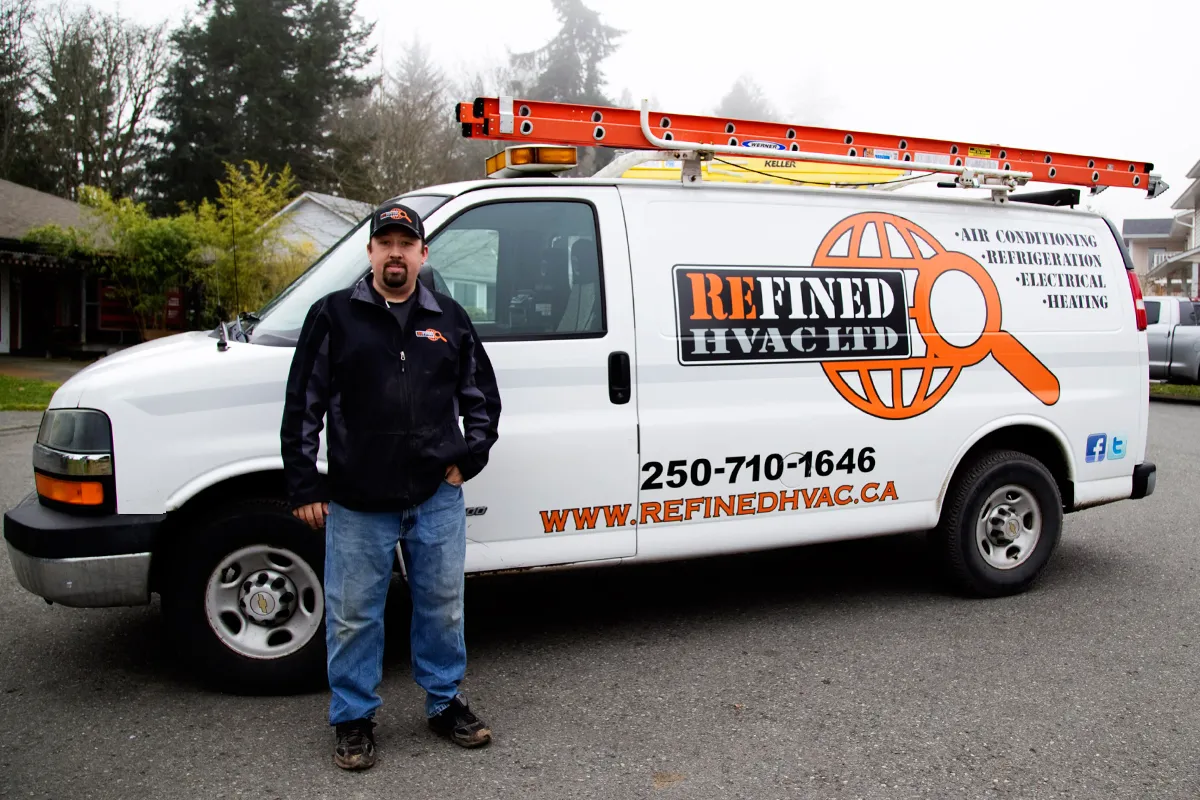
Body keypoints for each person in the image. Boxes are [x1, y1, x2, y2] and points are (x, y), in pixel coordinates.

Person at [280, 200, 502, 771]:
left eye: (406, 244)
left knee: (443, 608)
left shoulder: (449, 318)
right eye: (386, 243)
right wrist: (304, 485)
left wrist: (470, 458)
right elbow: (303, 405)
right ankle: (353, 717)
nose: (395, 253)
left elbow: (482, 397)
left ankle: (444, 703)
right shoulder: (333, 315)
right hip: (358, 500)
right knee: (353, 615)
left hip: (435, 497)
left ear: (423, 254)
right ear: (371, 251)